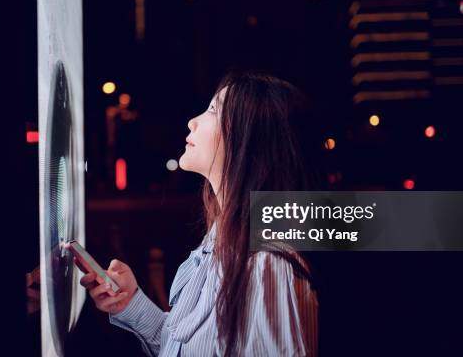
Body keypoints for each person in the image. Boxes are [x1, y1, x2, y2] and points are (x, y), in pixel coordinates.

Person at [79, 70, 323, 356]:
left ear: (246, 139)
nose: (192, 122)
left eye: (213, 110)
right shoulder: (219, 246)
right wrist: (130, 303)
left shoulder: (267, 265)